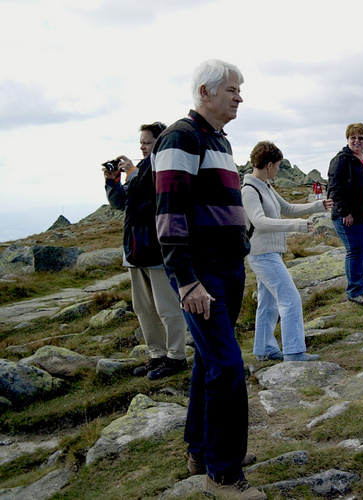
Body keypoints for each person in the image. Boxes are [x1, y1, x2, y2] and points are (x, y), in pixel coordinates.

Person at [153, 58, 260, 497]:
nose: (240, 96)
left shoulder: (219, 139)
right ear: (205, 92)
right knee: (229, 368)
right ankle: (224, 472)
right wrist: (187, 281)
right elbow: (169, 214)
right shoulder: (181, 136)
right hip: (204, 275)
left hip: (230, 268)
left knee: (210, 363)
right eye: (233, 89)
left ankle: (201, 449)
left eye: (239, 89)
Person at [103, 121, 192, 379]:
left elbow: (147, 193)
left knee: (167, 307)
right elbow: (122, 203)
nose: (142, 146)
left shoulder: (161, 167)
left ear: (160, 142)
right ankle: (157, 354)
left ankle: (176, 356)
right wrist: (113, 183)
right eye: (141, 142)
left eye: (147, 142)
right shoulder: (141, 169)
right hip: (134, 250)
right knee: (144, 308)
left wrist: (131, 172)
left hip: (156, 249)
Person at [241, 141, 329, 362]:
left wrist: (318, 206)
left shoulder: (265, 186)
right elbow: (259, 222)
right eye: (278, 165)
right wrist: (296, 226)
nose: (279, 170)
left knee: (268, 303)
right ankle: (294, 350)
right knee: (290, 299)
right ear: (269, 165)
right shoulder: (249, 190)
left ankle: (264, 349)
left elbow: (287, 208)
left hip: (269, 253)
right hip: (262, 254)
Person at [327, 123, 363, 305]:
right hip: (350, 215)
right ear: (347, 139)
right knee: (356, 250)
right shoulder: (342, 160)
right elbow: (334, 188)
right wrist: (345, 212)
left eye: (361, 138)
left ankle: (361, 286)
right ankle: (354, 290)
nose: (357, 141)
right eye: (353, 137)